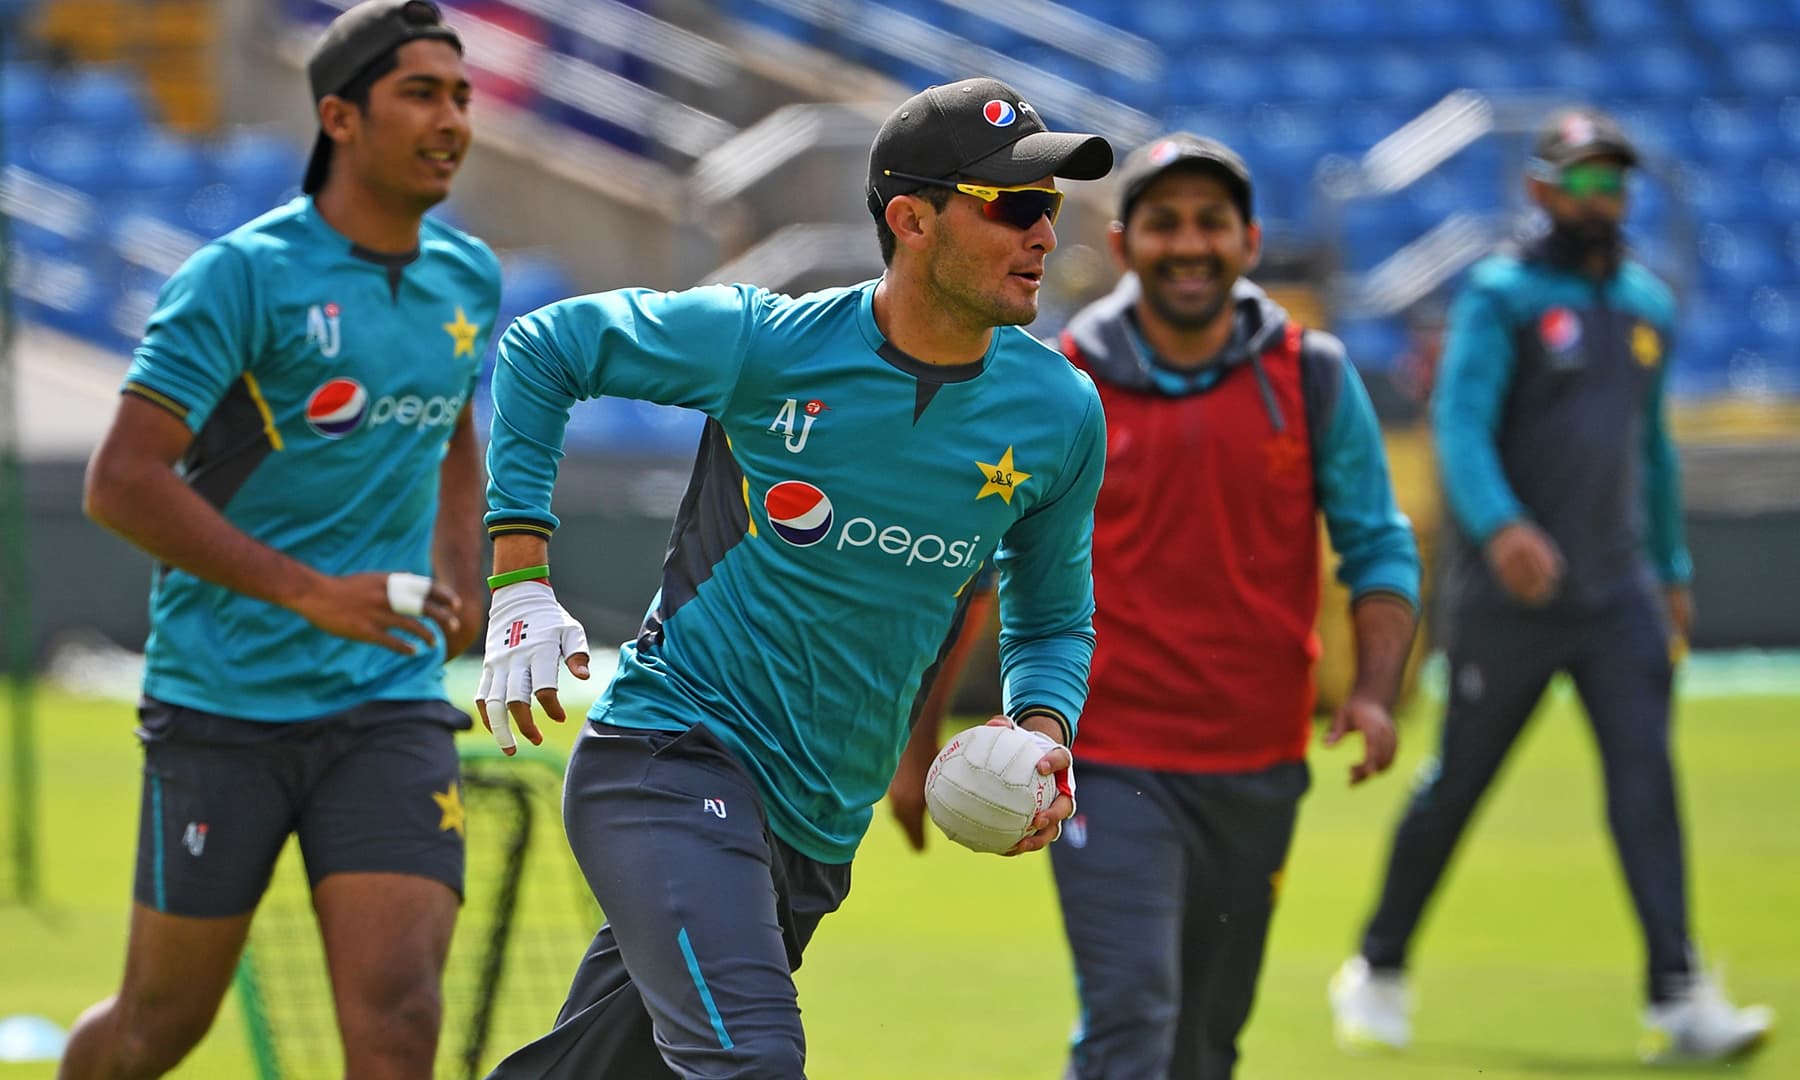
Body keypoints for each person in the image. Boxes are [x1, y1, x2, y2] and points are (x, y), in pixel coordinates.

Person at [472, 76, 1112, 1078]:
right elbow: (542, 348)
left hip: (817, 827)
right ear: (911, 218)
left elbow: (1053, 615)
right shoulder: (767, 342)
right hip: (670, 763)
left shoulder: (1061, 412)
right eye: (1015, 207)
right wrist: (519, 576)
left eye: (1051, 208)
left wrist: (1042, 727)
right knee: (753, 1064)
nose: (1044, 235)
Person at [889, 132, 1423, 1080]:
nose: (1189, 244)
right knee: (1133, 1017)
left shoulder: (1312, 374)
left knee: (1204, 1046)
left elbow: (1379, 545)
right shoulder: (1054, 381)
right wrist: (917, 739)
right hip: (1104, 761)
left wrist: (1376, 692)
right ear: (1124, 244)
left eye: (1210, 223)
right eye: (1164, 223)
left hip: (1257, 764)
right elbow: (967, 569)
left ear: (1249, 240)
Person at [63, 3, 498, 1076]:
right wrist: (311, 592)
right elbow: (120, 482)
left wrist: (461, 564)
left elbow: (450, 423)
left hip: (386, 706)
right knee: (157, 1029)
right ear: (340, 119)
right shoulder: (240, 278)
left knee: (398, 1016)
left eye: (462, 97)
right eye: (421, 94)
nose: (452, 120)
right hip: (225, 704)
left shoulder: (468, 277)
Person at [1328, 106, 1774, 1064]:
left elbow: (1647, 450)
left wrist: (1674, 568)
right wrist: (1501, 529)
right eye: (1579, 179)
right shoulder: (1502, 296)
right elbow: (1460, 427)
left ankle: (1679, 995)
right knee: (1459, 785)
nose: (1600, 196)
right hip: (1509, 599)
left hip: (1616, 594)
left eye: (1613, 180)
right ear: (1537, 188)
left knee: (1646, 788)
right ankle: (1378, 964)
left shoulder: (1646, 306)